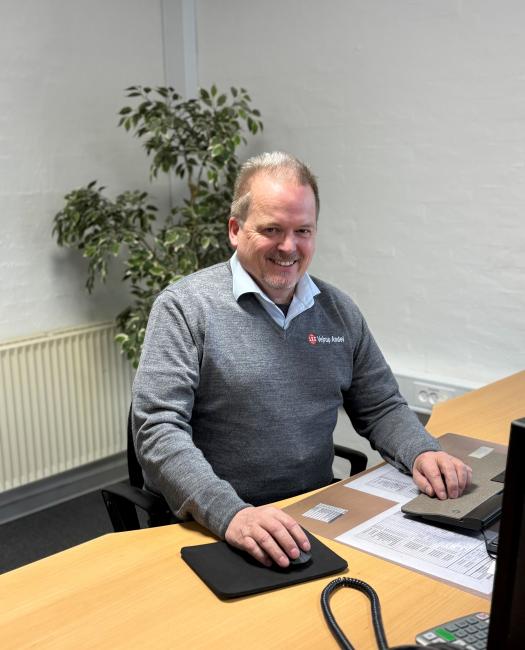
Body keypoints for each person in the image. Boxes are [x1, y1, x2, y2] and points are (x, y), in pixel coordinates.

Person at [132, 151, 472, 568]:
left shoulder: (338, 310)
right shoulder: (184, 308)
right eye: (272, 229)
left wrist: (421, 452)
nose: (289, 246)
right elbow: (158, 430)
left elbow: (381, 405)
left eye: (302, 231)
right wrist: (230, 513)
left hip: (310, 512)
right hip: (216, 521)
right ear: (236, 230)